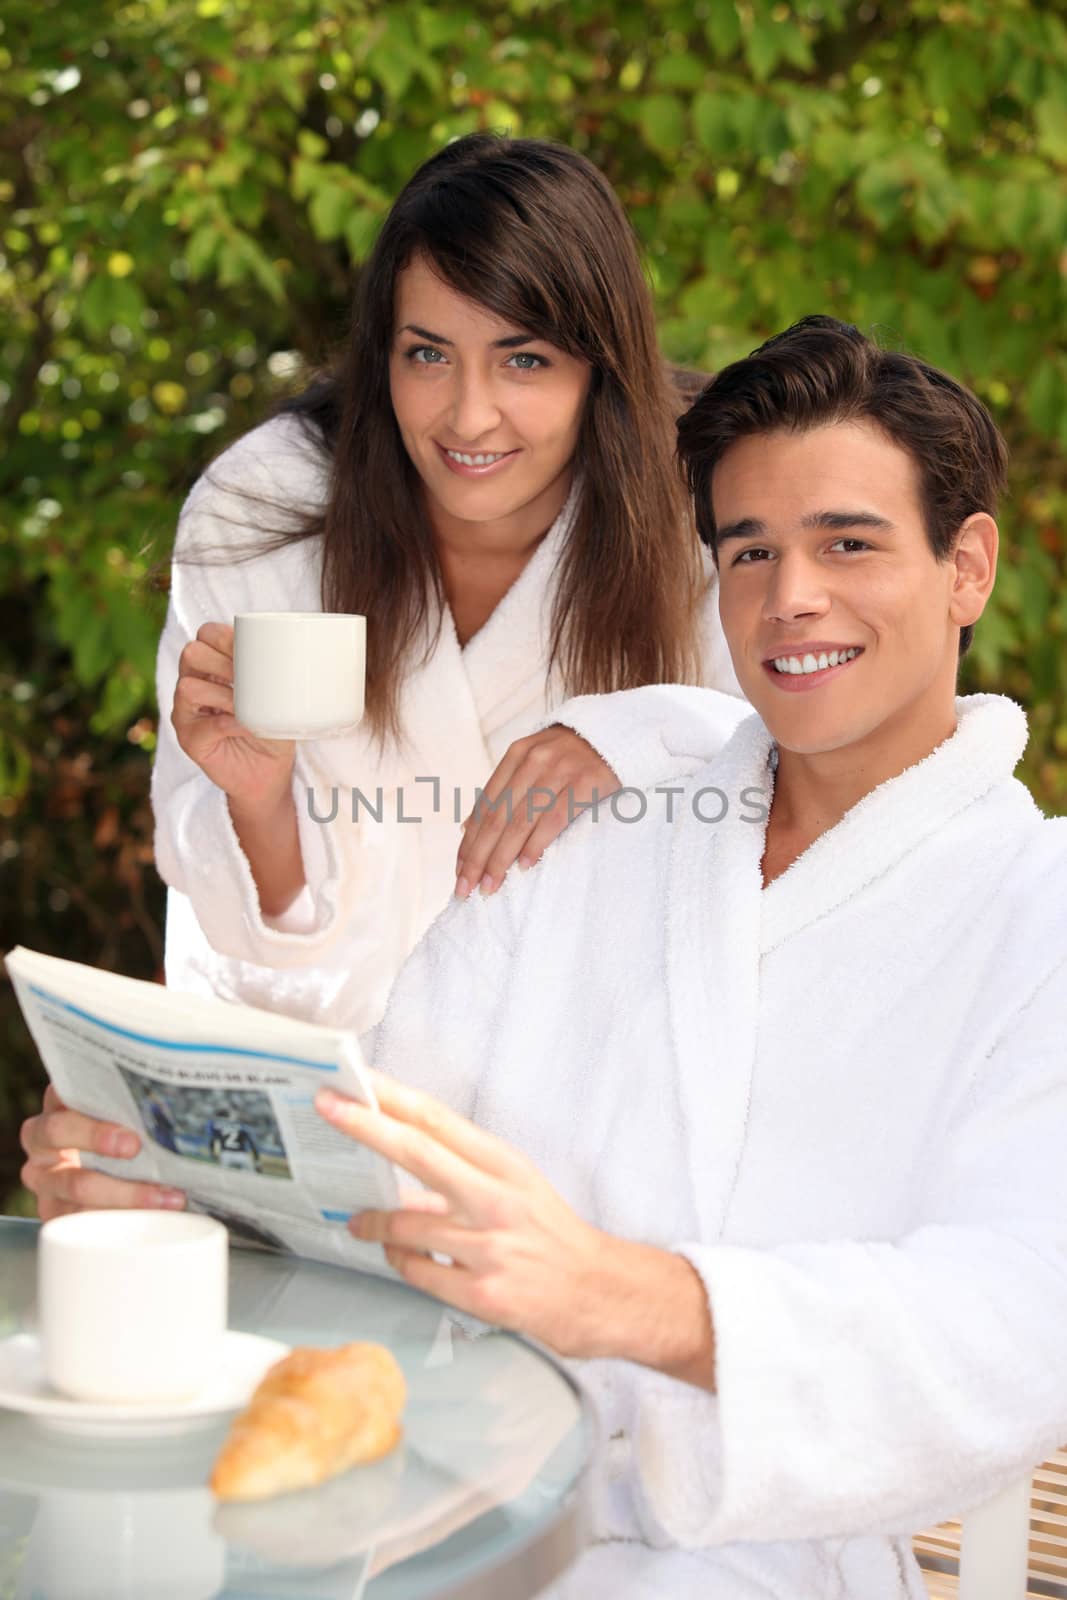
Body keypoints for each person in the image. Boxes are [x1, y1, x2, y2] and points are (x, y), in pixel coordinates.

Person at [308, 317, 1067, 1599]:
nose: (789, 599)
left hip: (754, 1562)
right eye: (748, 551)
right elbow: (387, 1137)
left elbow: (1011, 1320)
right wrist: (186, 1178)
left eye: (846, 542)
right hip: (458, 1497)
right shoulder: (591, 827)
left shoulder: (1034, 910)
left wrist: (634, 1300)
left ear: (967, 567)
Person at [20, 132, 747, 1220]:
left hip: (585, 1147)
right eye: (426, 354)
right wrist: (258, 804)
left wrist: (636, 731)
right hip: (300, 1113)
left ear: (600, 362)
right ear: (380, 352)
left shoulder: (700, 515)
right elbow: (235, 936)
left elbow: (785, 790)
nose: (466, 416)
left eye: (525, 359)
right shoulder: (270, 510)